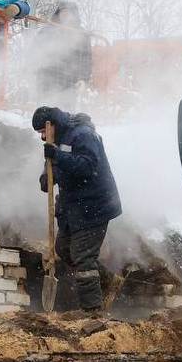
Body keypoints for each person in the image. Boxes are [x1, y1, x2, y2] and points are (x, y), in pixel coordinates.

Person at [32, 106, 122, 312]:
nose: (42, 136)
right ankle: (107, 282)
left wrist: (58, 156)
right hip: (73, 208)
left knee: (83, 256)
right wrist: (46, 177)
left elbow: (87, 167)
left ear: (52, 124)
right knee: (64, 249)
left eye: (43, 131)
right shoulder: (57, 141)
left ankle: (92, 312)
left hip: (94, 206)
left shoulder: (83, 135)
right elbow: (56, 165)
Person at [37, 3, 94, 97]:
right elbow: (36, 53)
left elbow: (86, 59)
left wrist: (83, 79)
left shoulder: (82, 34)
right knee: (45, 107)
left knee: (66, 109)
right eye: (63, 12)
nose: (66, 16)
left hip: (70, 81)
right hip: (48, 78)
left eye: (69, 13)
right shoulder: (46, 32)